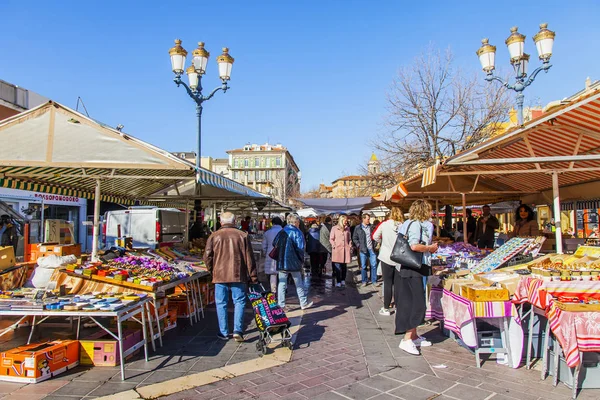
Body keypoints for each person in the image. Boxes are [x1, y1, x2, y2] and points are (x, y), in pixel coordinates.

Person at [204, 212, 258, 342]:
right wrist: (253, 276)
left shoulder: (214, 236)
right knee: (239, 301)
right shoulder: (243, 235)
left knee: (221, 303)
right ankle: (237, 330)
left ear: (221, 222)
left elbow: (207, 257)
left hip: (219, 275)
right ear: (234, 222)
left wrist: (212, 271)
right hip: (238, 274)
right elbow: (249, 258)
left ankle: (223, 332)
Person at [395, 199, 437, 356]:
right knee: (417, 303)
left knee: (410, 301)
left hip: (408, 267)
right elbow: (414, 246)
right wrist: (430, 248)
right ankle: (406, 340)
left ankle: (413, 335)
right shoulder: (416, 225)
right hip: (414, 267)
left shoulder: (407, 223)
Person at [273, 213, 313, 310]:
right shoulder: (297, 232)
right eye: (298, 222)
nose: (299, 224)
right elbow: (301, 248)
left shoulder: (282, 231)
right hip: (294, 262)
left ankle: (281, 305)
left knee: (282, 283)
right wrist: (301, 260)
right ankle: (303, 303)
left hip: (282, 261)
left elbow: (274, 243)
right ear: (295, 222)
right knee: (298, 283)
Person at [372, 206, 404, 316]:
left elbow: (375, 236)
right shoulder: (402, 226)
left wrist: (383, 241)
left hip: (386, 256)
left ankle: (386, 307)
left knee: (388, 283)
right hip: (399, 257)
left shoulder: (384, 225)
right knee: (398, 284)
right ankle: (399, 307)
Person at [353, 213, 378, 286]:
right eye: (367, 219)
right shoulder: (358, 228)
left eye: (369, 219)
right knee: (363, 266)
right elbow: (354, 238)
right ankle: (364, 281)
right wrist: (358, 245)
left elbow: (376, 236)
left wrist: (375, 244)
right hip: (363, 249)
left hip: (371, 249)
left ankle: (374, 280)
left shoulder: (372, 227)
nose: (369, 220)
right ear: (363, 219)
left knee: (373, 265)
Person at [262, 217, 283, 293]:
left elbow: (264, 246)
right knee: (282, 274)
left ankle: (273, 291)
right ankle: (282, 291)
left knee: (273, 274)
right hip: (282, 255)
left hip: (270, 254)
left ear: (273, 223)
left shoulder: (267, 232)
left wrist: (265, 253)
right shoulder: (284, 232)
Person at [330, 214, 351, 288]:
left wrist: (350, 245)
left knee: (344, 266)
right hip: (337, 250)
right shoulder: (334, 228)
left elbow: (349, 239)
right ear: (341, 220)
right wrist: (334, 245)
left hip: (345, 250)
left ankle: (343, 280)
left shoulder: (347, 229)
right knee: (337, 267)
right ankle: (338, 281)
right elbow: (331, 238)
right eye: (345, 220)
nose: (346, 222)